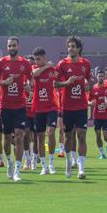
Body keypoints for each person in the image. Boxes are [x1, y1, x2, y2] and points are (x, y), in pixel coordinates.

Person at [0, 37, 33, 182]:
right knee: (7, 139)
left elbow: (31, 80)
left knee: (20, 136)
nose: (12, 47)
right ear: (7, 47)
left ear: (18, 47)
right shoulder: (1, 63)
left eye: (14, 45)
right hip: (6, 106)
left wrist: (29, 85)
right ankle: (9, 162)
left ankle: (17, 170)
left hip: (20, 106)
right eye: (9, 45)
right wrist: (3, 82)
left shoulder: (25, 63)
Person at [55, 36, 92, 179]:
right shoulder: (62, 64)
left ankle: (81, 169)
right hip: (67, 106)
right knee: (68, 136)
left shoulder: (86, 64)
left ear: (79, 49)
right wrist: (66, 83)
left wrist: (88, 85)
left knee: (82, 135)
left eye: (73, 46)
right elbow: (55, 84)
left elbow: (88, 80)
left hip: (81, 106)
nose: (70, 49)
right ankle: (69, 162)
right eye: (69, 46)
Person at [31, 47, 59, 175]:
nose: (36, 61)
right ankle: (44, 166)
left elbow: (59, 79)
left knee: (51, 132)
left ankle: (51, 163)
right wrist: (46, 66)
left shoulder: (53, 71)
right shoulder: (34, 69)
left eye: (39, 59)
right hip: (38, 108)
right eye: (35, 59)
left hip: (52, 107)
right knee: (40, 137)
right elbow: (34, 75)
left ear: (44, 57)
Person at [89, 70, 107, 160]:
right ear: (96, 77)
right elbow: (90, 100)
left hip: (106, 115)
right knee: (98, 135)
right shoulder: (94, 88)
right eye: (99, 76)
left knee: (106, 134)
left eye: (102, 76)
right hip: (97, 116)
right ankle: (102, 153)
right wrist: (91, 103)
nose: (101, 78)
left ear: (104, 77)